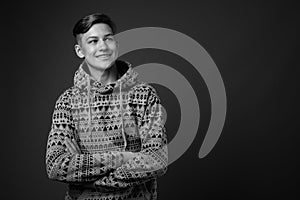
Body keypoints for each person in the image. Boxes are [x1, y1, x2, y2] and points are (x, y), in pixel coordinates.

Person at [45, 13, 168, 200]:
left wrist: (86, 173)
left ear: (116, 44)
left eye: (108, 39)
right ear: (80, 50)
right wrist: (125, 158)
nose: (102, 46)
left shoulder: (144, 95)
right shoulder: (67, 101)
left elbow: (156, 160)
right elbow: (55, 165)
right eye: (93, 41)